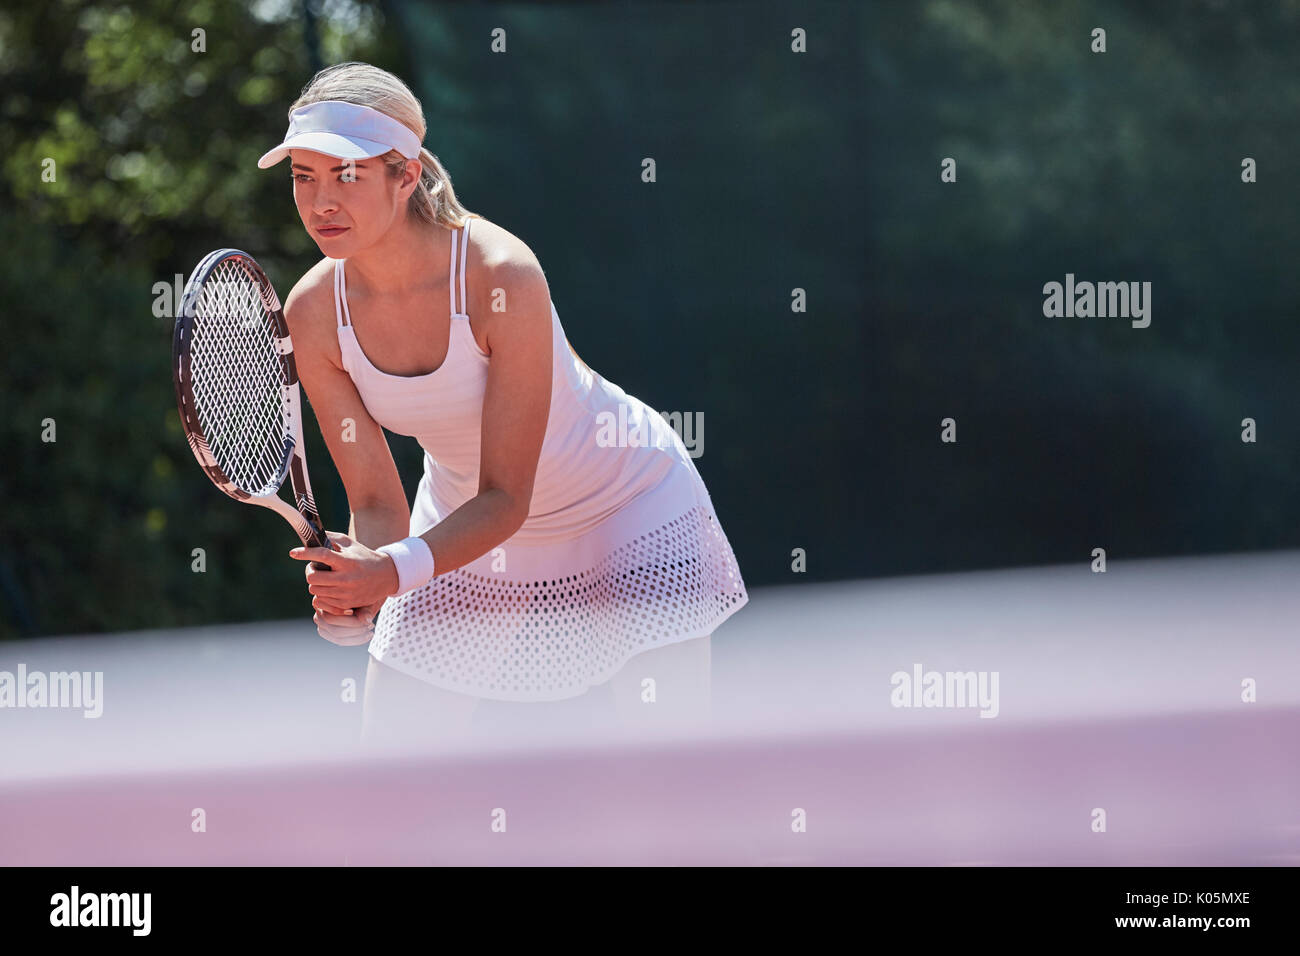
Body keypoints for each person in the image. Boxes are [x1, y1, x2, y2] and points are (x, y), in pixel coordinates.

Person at [261, 62, 748, 743]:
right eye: (302, 177)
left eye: (347, 175)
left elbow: (506, 497)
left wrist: (388, 573)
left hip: (626, 506)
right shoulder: (312, 314)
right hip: (460, 522)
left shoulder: (502, 276)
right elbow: (377, 504)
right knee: (394, 771)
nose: (321, 203)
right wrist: (357, 582)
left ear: (405, 176)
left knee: (667, 776)